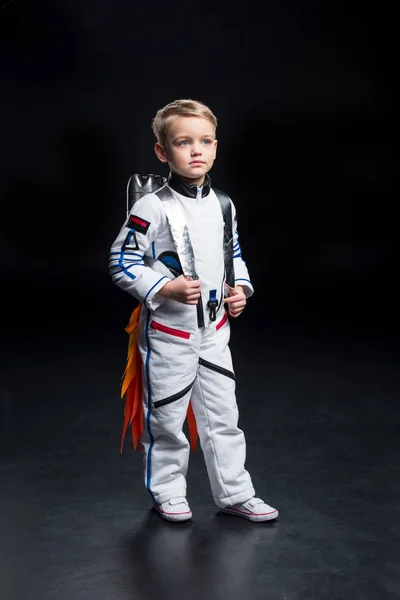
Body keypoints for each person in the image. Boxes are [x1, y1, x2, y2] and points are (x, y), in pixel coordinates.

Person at [110, 99, 278, 523]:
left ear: (216, 147)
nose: (196, 150)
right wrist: (165, 287)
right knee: (166, 418)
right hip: (169, 334)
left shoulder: (223, 203)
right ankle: (167, 491)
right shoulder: (152, 206)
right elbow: (122, 261)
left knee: (224, 417)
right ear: (163, 152)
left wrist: (240, 287)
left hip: (215, 332)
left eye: (204, 141)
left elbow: (232, 252)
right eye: (184, 142)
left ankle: (235, 492)